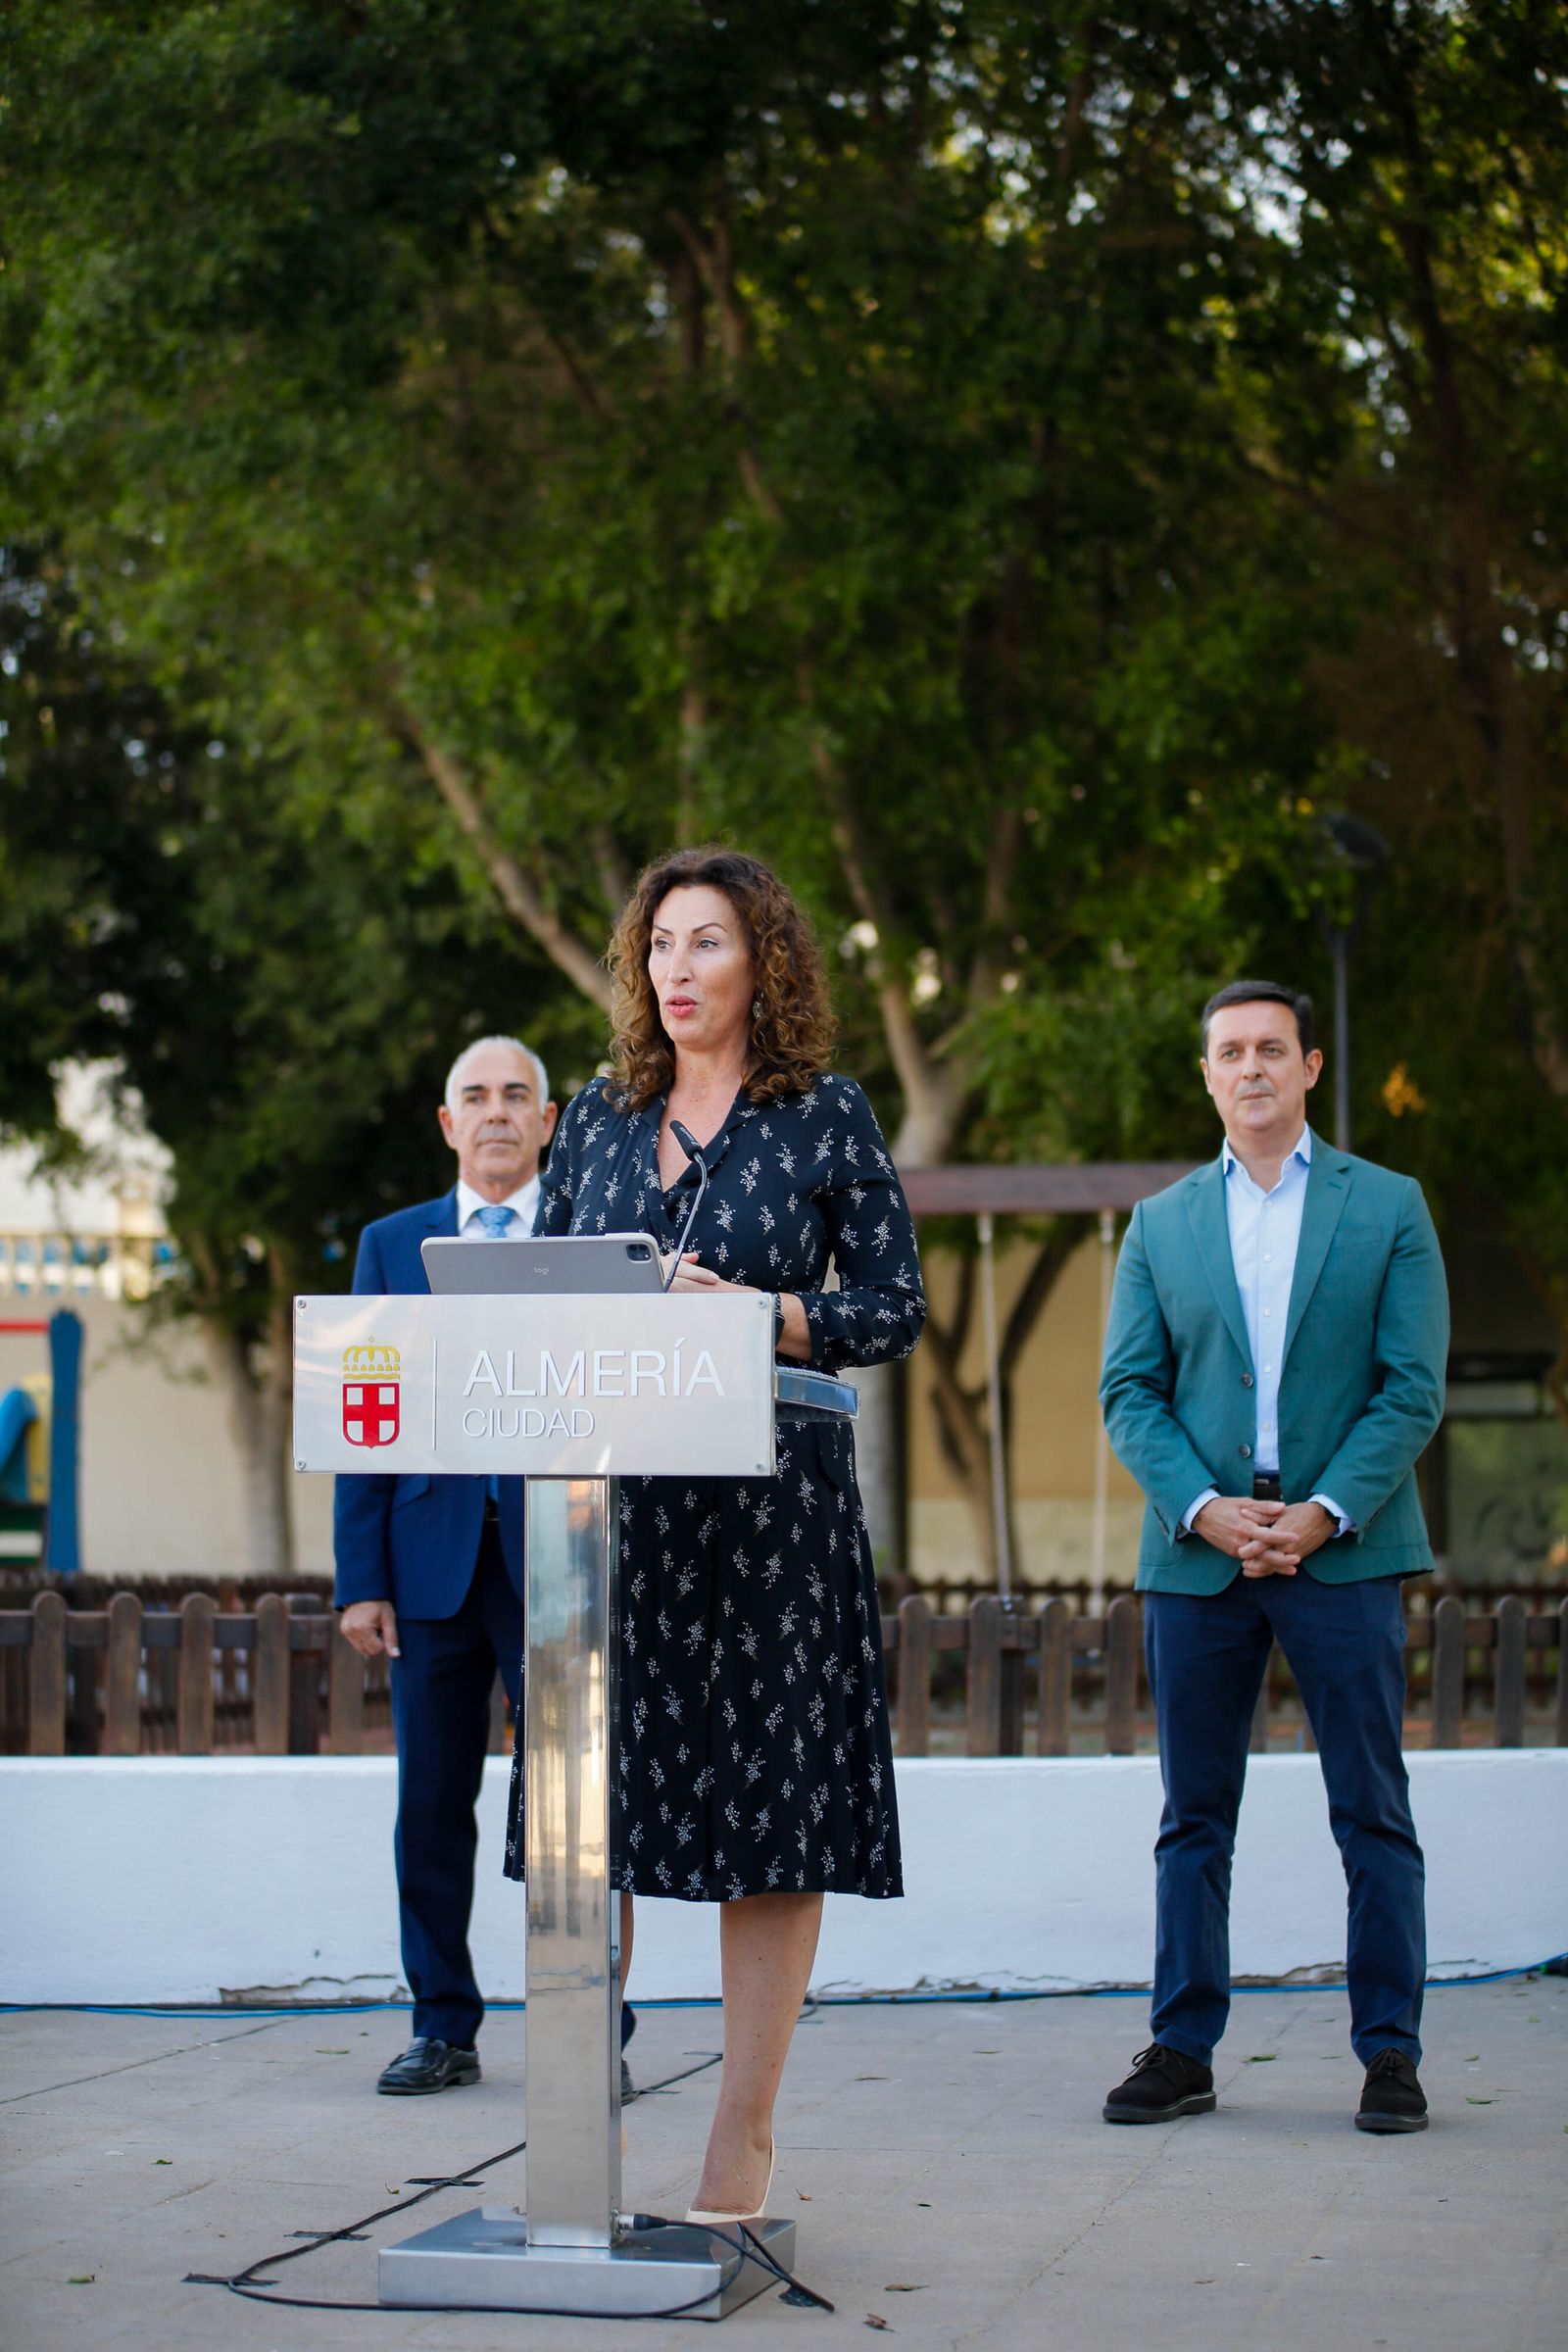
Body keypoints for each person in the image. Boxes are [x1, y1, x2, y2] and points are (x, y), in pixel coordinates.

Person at [504, 845, 925, 2223]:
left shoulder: (826, 1114)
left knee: (772, 1823)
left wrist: (755, 1308)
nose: (674, 972)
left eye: (705, 946)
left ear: (764, 965)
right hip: (615, 1513)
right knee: (595, 1814)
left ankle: (740, 2140)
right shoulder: (599, 1119)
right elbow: (549, 1293)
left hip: (771, 1518)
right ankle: (576, 2121)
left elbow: (891, 1305)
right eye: (659, 948)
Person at [1099, 980, 1448, 2135]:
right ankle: (1181, 2046)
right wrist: (1202, 1508)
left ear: (1306, 1069)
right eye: (1228, 1051)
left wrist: (1324, 1510)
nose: (1249, 1067)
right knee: (1193, 1814)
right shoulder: (1160, 1224)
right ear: (1205, 1074)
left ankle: (1389, 2054)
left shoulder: (1388, 1206)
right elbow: (1128, 1392)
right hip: (1200, 1556)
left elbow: (1410, 1389)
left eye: (1270, 1049)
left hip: (1339, 1553)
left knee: (1371, 1810)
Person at [334, 1035, 558, 2096]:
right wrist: (360, 1576)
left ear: (547, 1121)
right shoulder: (390, 1244)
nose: (498, 1112)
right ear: (447, 1123)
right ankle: (442, 2025)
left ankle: (585, 2019)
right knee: (430, 1803)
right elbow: (360, 1413)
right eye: (476, 1096)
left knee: (574, 1802)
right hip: (426, 1571)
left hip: (561, 1563)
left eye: (517, 1095)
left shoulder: (593, 1238)